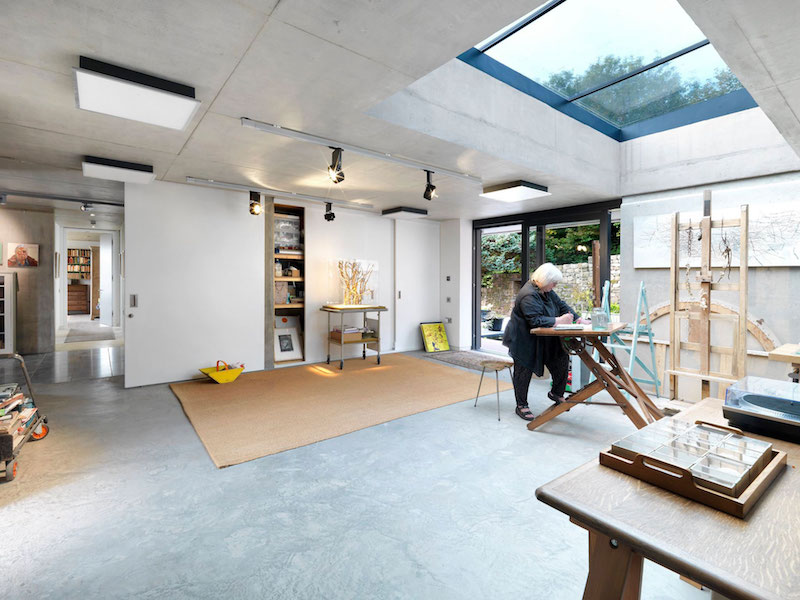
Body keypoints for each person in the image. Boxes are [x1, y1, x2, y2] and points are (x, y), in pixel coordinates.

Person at [502, 263, 588, 421]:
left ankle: (556, 393)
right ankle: (521, 405)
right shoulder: (528, 294)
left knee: (561, 359)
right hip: (523, 339)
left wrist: (578, 318)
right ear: (545, 280)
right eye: (553, 282)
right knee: (523, 371)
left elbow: (562, 305)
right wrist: (559, 320)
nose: (555, 285)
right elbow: (535, 320)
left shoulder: (547, 291)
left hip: (543, 338)